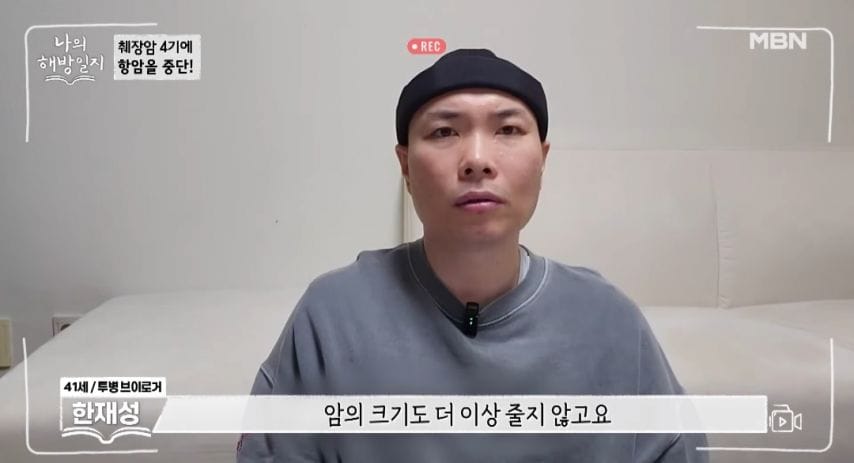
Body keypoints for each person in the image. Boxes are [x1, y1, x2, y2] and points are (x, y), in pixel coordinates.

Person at [237, 48, 708, 462]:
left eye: (508, 129)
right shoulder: (332, 316)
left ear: (543, 159)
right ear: (406, 165)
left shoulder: (610, 322)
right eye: (444, 131)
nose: (477, 159)